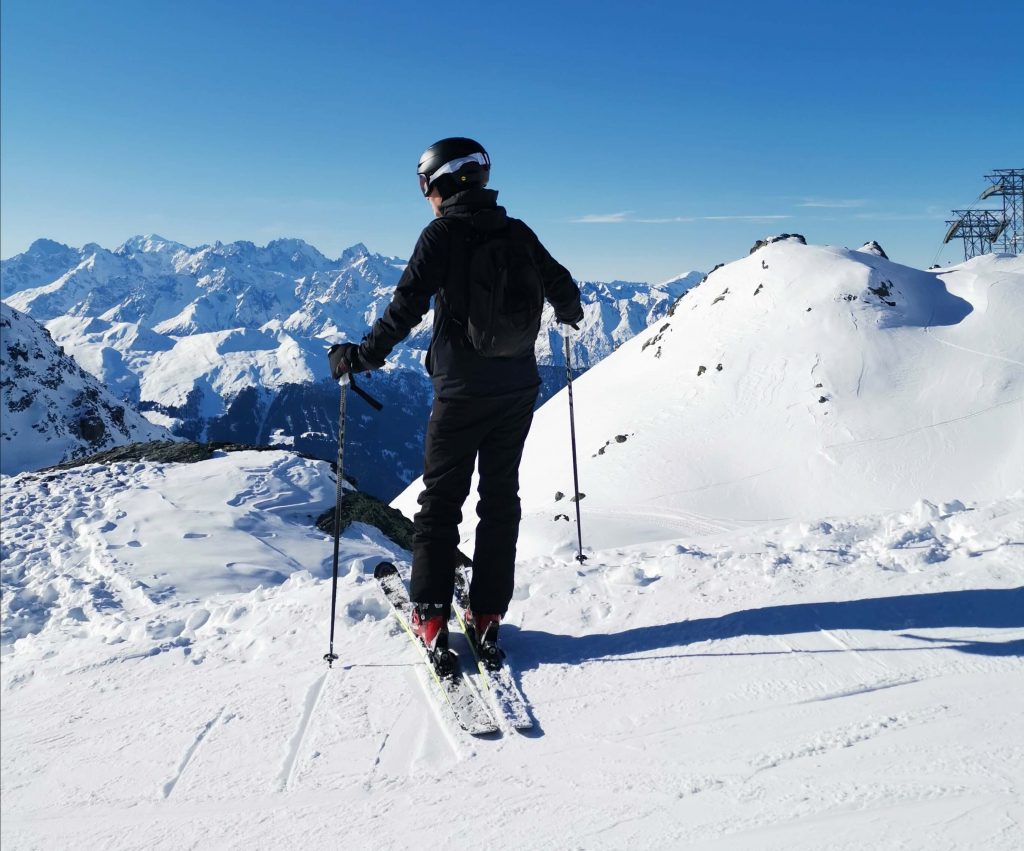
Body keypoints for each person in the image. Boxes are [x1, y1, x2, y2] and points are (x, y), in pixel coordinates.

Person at [329, 137, 583, 658]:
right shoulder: (517, 232)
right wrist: (569, 316)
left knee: (441, 502)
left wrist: (360, 357)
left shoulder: (441, 235)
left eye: (424, 186)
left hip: (462, 392)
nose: (425, 196)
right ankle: (489, 611)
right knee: (500, 499)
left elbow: (405, 308)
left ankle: (431, 613)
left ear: (439, 184)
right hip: (517, 389)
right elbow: (564, 287)